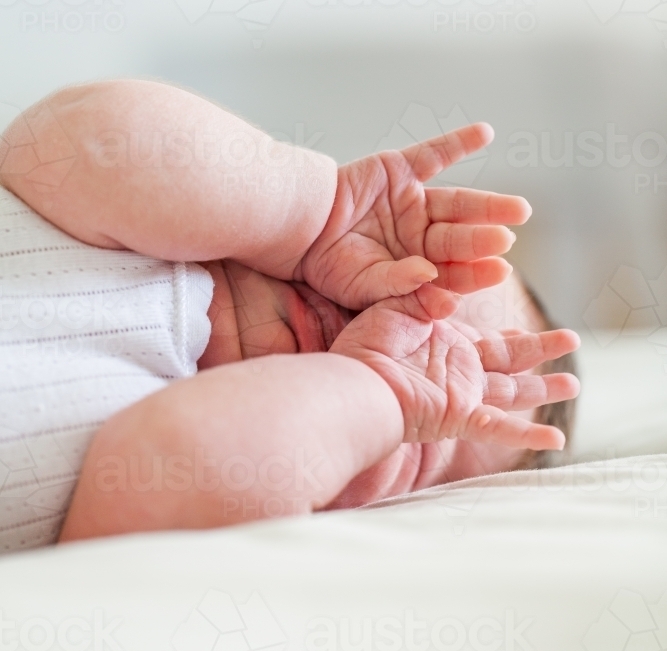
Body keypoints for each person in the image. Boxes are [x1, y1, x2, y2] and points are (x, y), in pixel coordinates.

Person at [0, 80, 579, 550]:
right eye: (413, 273)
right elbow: (76, 141)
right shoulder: (146, 234)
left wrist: (374, 388)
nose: (388, 325)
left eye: (427, 400)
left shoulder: (188, 485)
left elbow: (176, 456)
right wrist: (314, 213)